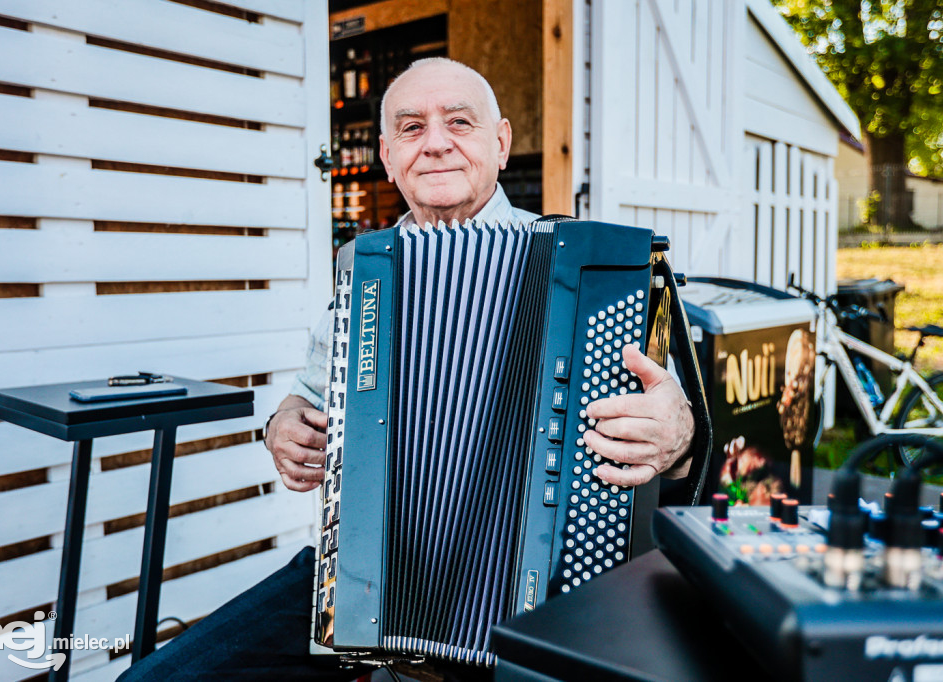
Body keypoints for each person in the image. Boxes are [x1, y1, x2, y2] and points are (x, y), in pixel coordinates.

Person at [120, 58, 695, 682]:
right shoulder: (363, 271)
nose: (437, 142)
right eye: (412, 127)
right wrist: (283, 428)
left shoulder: (597, 269)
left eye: (459, 122)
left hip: (550, 586)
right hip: (369, 577)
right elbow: (303, 400)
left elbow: (681, 442)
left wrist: (678, 433)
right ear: (389, 157)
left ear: (499, 143)